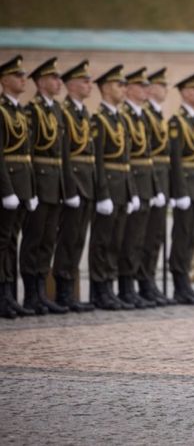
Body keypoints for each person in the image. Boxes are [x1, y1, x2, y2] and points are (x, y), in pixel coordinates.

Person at [21, 57, 77, 315]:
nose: (58, 82)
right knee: (32, 240)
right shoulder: (31, 111)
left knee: (47, 241)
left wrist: (68, 188)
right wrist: (28, 188)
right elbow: (27, 153)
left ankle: (41, 292)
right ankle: (29, 294)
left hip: (55, 185)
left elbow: (63, 155)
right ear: (41, 81)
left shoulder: (56, 111)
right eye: (54, 78)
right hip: (39, 184)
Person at [88, 65, 137, 310]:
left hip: (122, 189)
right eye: (119, 85)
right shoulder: (98, 120)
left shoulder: (120, 119)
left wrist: (131, 192)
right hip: (108, 188)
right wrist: (102, 194)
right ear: (106, 88)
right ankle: (100, 289)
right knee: (102, 241)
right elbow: (97, 161)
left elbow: (125, 160)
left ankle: (109, 285)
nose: (124, 89)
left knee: (116, 241)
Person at [51, 60, 97, 312]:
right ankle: (61, 291)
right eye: (84, 80)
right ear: (71, 85)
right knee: (66, 239)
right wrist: (69, 189)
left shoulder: (82, 112)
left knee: (78, 239)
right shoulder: (65, 112)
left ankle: (70, 291)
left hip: (86, 184)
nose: (89, 84)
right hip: (73, 185)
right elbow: (64, 155)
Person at [118, 67, 162, 309]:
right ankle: (125, 287)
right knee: (128, 240)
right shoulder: (123, 115)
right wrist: (132, 190)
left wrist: (156, 188)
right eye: (142, 86)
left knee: (146, 239)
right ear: (130, 89)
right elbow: (125, 159)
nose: (147, 90)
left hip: (146, 184)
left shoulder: (142, 116)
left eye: (148, 86)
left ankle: (142, 284)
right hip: (129, 183)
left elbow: (150, 156)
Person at [0, 55, 36, 319]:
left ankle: (10, 295)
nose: (24, 79)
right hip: (9, 186)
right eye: (18, 76)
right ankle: (3, 295)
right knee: (3, 242)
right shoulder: (1, 111)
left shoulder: (20, 111)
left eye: (24, 75)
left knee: (13, 242)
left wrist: (31, 189)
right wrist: (7, 190)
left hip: (24, 185)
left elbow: (27, 154)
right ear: (4, 80)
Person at [168, 72, 194, 304]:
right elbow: (176, 160)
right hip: (184, 187)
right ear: (184, 93)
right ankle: (179, 284)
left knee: (192, 238)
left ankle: (185, 285)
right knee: (181, 237)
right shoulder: (177, 122)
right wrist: (179, 191)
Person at [139, 67, 177, 305]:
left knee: (155, 238)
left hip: (160, 182)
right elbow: (147, 155)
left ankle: (149, 281)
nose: (164, 90)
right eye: (160, 86)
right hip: (148, 183)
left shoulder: (157, 114)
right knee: (142, 238)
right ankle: (143, 283)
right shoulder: (144, 115)